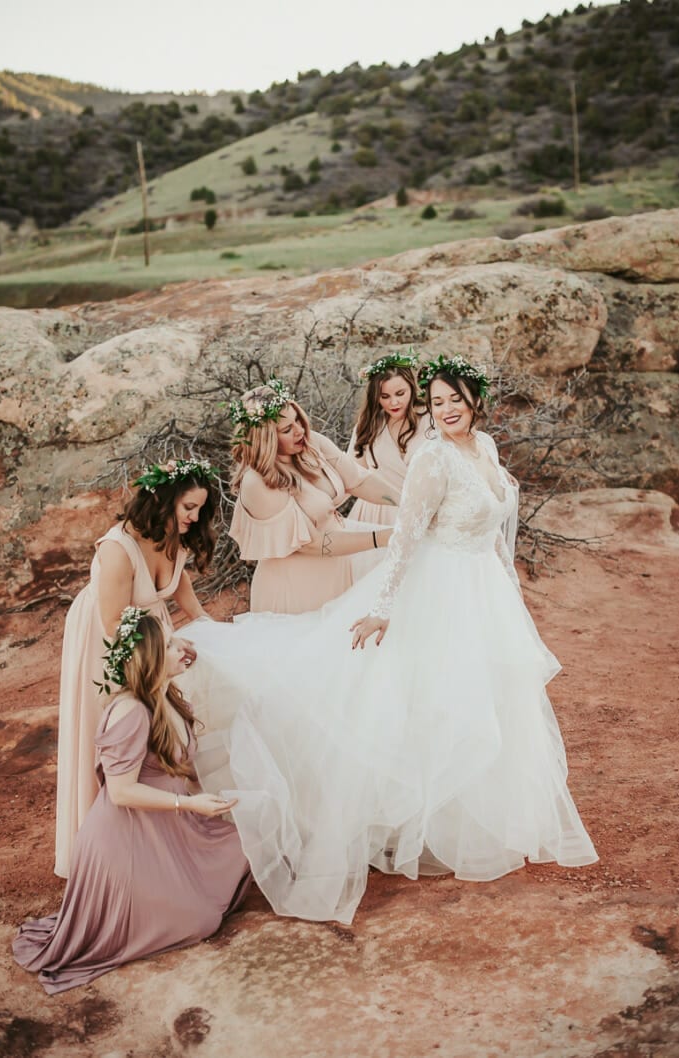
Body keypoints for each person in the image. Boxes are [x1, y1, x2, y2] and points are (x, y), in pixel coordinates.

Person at [184, 354, 598, 925]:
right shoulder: (270, 481)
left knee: (479, 699)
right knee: (332, 686)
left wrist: (506, 585)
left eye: (456, 400)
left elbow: (379, 487)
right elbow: (378, 540)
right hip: (314, 577)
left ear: (476, 402)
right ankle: (323, 810)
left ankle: (473, 818)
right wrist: (384, 603)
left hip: (475, 590)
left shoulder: (480, 450)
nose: (447, 410)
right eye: (439, 402)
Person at [14, 611, 250, 995]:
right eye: (171, 645)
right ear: (152, 657)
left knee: (239, 850)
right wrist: (190, 806)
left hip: (167, 826)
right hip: (128, 842)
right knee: (201, 919)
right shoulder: (131, 712)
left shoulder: (166, 696)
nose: (181, 649)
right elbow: (121, 792)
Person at [55, 457, 217, 879]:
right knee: (123, 734)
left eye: (200, 509)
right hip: (113, 644)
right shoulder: (117, 549)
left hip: (154, 634)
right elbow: (113, 624)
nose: (194, 517)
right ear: (163, 501)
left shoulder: (173, 537)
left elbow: (183, 591)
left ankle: (162, 840)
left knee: (167, 725)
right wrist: (164, 651)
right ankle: (104, 850)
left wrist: (210, 628)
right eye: (188, 508)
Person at [227, 378, 398, 614]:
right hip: (295, 589)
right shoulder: (256, 482)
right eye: (287, 429)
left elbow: (358, 480)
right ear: (264, 438)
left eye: (297, 419)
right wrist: (384, 538)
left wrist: (408, 502)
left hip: (337, 570)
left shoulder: (312, 443)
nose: (299, 430)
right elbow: (310, 544)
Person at [347, 352, 429, 526]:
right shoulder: (368, 425)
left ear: (412, 387)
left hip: (421, 513)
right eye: (385, 397)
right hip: (374, 515)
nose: (394, 403)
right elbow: (351, 475)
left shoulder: (431, 419)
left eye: (400, 393)